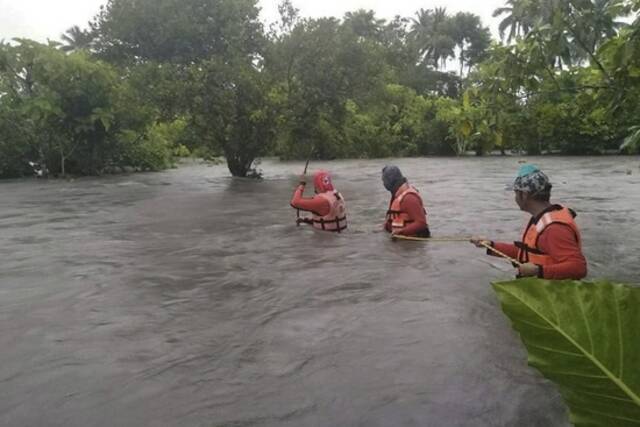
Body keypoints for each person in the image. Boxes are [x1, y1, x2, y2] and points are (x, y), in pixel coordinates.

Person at [471, 165, 587, 279]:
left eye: (516, 193)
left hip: (553, 293)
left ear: (524, 195)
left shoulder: (554, 229)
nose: (515, 197)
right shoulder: (541, 219)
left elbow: (578, 268)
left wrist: (538, 270)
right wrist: (490, 245)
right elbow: (527, 253)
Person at [382, 165, 430, 237]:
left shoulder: (409, 198)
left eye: (384, 180)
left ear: (391, 181)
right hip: (401, 241)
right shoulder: (397, 195)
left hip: (413, 243)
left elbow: (421, 223)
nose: (384, 184)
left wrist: (401, 231)